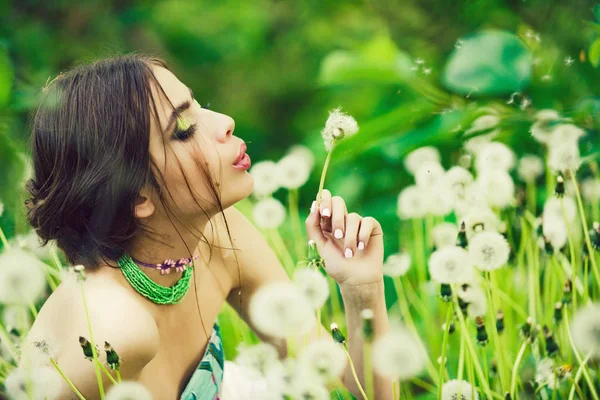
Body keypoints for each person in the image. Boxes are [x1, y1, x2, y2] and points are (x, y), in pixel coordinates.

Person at [22, 53, 393, 399]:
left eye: (199, 107)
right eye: (183, 128)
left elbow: (346, 387)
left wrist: (362, 289)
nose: (225, 122)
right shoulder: (115, 329)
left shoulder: (219, 238)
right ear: (137, 198)